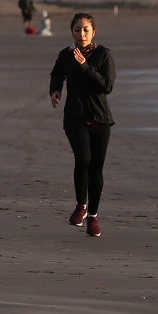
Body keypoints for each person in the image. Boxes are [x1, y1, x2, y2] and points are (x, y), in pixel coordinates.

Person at [50, 12, 115, 238]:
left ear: (93, 32)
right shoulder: (66, 55)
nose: (82, 33)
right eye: (77, 29)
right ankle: (81, 206)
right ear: (72, 32)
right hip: (74, 117)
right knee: (83, 158)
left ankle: (93, 217)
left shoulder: (103, 55)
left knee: (96, 168)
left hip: (100, 118)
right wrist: (55, 89)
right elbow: (57, 74)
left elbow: (107, 86)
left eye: (86, 29)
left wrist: (86, 66)